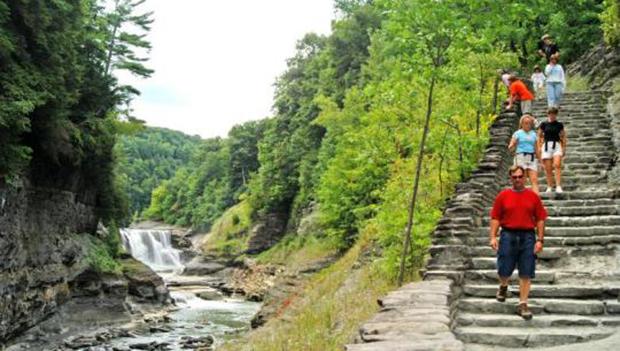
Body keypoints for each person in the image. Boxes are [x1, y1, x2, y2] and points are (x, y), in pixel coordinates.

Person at [490, 165, 547, 320]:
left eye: (520, 176)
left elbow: (540, 219)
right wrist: (493, 237)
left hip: (528, 236)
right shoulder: (503, 196)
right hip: (508, 234)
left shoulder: (533, 197)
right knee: (504, 267)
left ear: (525, 178)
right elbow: (495, 217)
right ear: (510, 178)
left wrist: (540, 239)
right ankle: (503, 285)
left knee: (526, 270)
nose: (517, 179)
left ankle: (523, 304)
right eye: (514, 177)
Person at [508, 114, 540, 194]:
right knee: (523, 179)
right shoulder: (517, 133)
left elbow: (536, 148)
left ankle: (537, 201)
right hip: (521, 157)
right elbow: (510, 147)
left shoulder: (533, 134)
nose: (528, 125)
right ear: (521, 124)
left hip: (532, 157)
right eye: (526, 123)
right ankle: (522, 199)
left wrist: (540, 161)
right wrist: (514, 144)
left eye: (529, 123)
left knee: (534, 179)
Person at [538, 107, 566, 193]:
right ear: (548, 114)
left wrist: (564, 147)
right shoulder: (543, 124)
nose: (552, 115)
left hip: (557, 145)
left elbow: (563, 136)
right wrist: (539, 146)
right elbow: (539, 135)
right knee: (548, 168)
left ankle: (558, 186)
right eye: (550, 113)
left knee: (557, 165)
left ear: (556, 115)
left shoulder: (559, 124)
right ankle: (549, 186)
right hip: (546, 146)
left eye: (554, 114)